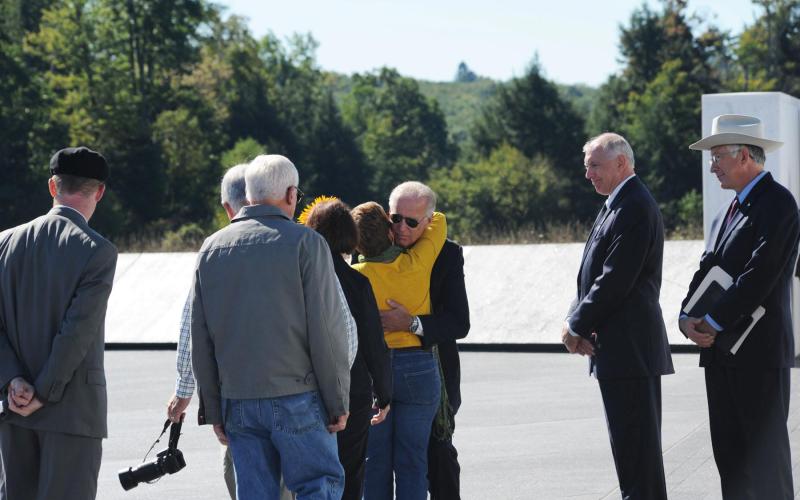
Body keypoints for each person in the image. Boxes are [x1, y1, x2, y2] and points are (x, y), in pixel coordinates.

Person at [190, 154, 353, 500]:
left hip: (238, 401)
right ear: (292, 194)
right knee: (317, 486)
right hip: (298, 395)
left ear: (248, 196)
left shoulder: (211, 249)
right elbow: (325, 329)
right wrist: (337, 398)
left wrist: (213, 407)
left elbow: (200, 336)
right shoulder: (306, 244)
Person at [680, 114, 798, 500]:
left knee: (766, 466)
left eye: (717, 157)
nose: (712, 166)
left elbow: (760, 274)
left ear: (744, 155)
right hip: (721, 356)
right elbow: (706, 269)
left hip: (758, 356)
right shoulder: (726, 211)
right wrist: (687, 317)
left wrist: (712, 321)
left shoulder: (778, 204)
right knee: (731, 461)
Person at [0, 147, 117, 500]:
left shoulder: (5, 243)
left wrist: (13, 379)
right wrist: (44, 392)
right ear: (99, 192)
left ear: (53, 186)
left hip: (13, 408)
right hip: (72, 411)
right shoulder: (98, 251)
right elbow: (76, 333)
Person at [562, 133, 674, 500]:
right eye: (586, 166)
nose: (588, 174)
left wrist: (575, 325)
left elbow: (615, 280)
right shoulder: (616, 203)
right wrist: (574, 318)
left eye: (595, 166)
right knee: (630, 454)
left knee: (638, 458)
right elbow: (591, 277)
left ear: (621, 163)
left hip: (631, 352)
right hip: (619, 351)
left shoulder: (634, 206)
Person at [378, 181, 470, 500]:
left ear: (429, 222)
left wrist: (412, 323)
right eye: (395, 218)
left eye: (412, 221)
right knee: (379, 462)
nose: (401, 227)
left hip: (435, 376)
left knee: (438, 456)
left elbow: (459, 322)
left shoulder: (447, 254)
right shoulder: (372, 248)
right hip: (381, 376)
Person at [351, 200, 446, 500]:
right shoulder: (415, 264)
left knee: (375, 460)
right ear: (390, 233)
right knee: (413, 460)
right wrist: (400, 223)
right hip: (417, 366)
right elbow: (439, 220)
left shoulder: (356, 276)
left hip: (373, 372)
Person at [304, 198, 393, 500]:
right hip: (353, 393)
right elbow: (373, 343)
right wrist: (384, 393)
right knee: (350, 472)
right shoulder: (357, 282)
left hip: (304, 391)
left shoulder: (300, 278)